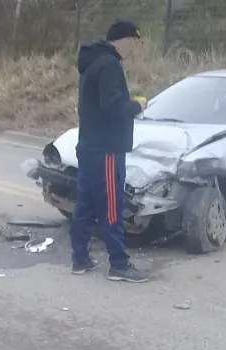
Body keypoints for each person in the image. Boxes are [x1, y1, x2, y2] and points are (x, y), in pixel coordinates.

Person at [70, 18, 148, 283]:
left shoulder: (92, 61)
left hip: (90, 146)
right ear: (125, 40)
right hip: (106, 150)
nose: (134, 50)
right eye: (134, 43)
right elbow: (112, 107)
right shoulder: (109, 64)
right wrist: (137, 106)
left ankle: (80, 259)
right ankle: (118, 264)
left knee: (85, 204)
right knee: (112, 207)